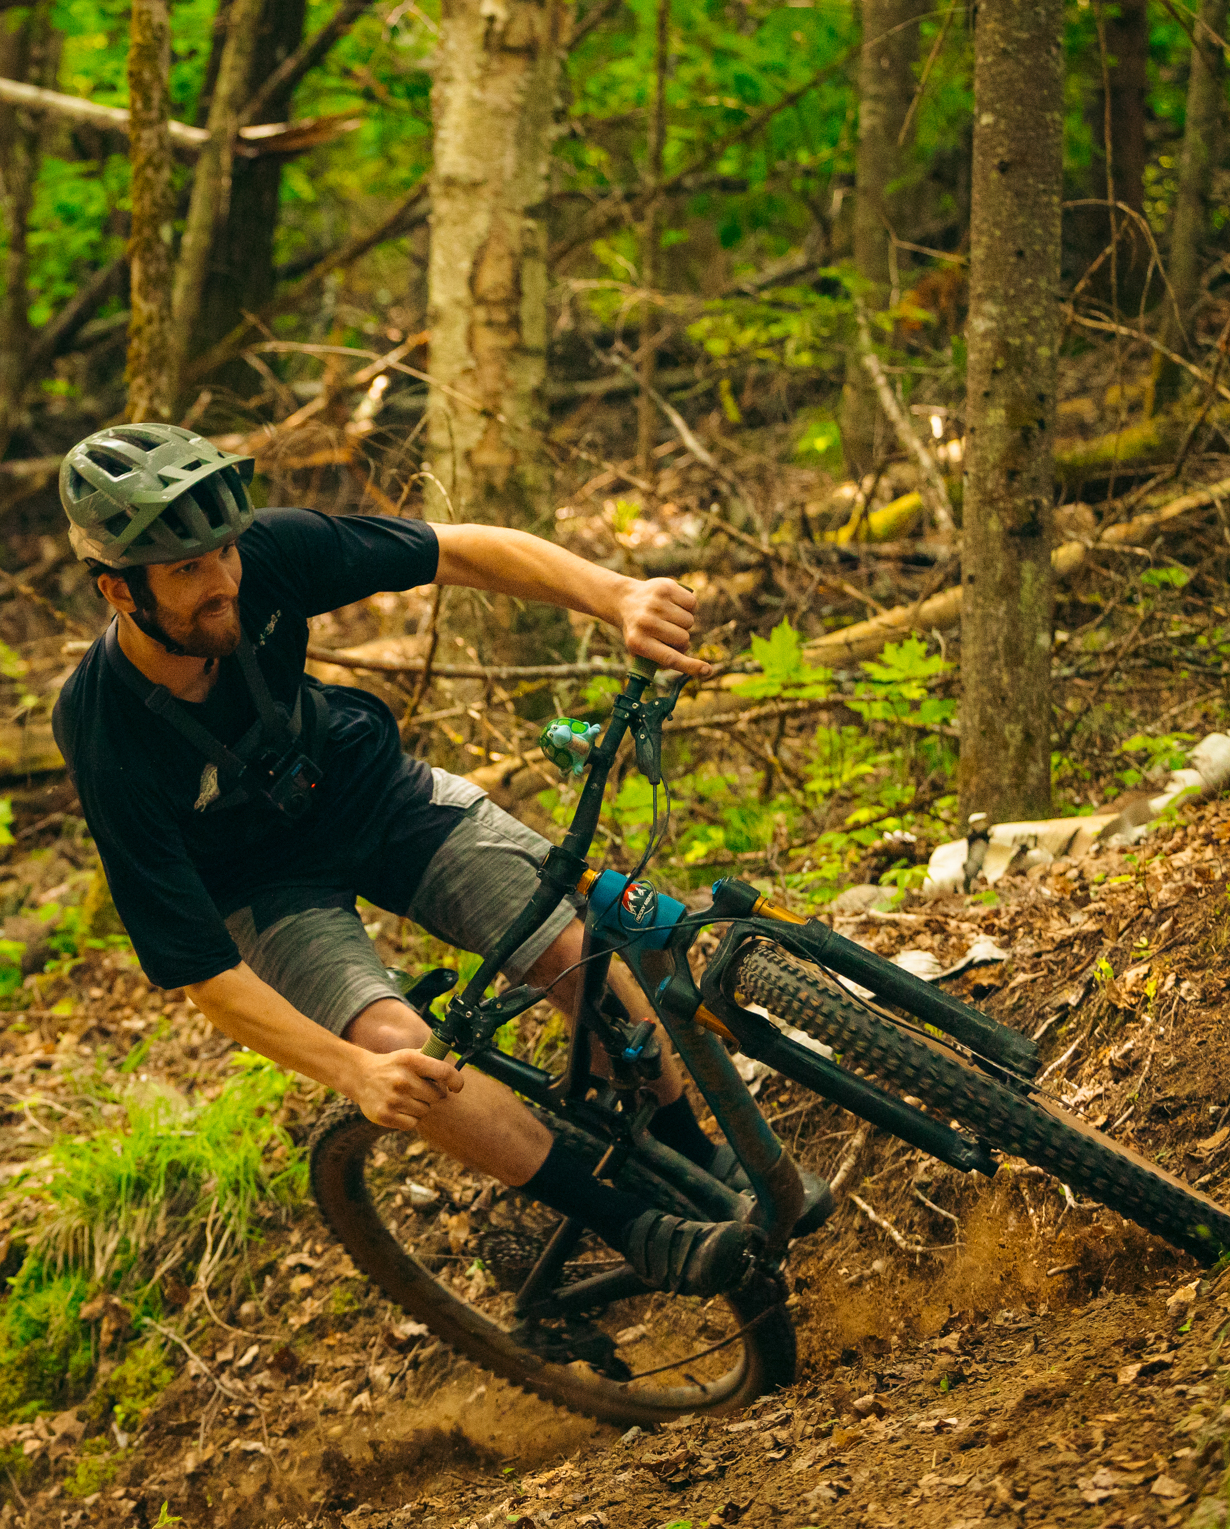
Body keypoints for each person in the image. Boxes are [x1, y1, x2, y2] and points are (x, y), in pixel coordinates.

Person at [47, 421, 759, 1303]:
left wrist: (614, 594)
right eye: (188, 570)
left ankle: (698, 1155)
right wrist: (354, 1073)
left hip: (368, 791)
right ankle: (637, 1228)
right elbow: (200, 971)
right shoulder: (104, 732)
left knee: (568, 946)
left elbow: (457, 550)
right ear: (119, 588)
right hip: (263, 892)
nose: (224, 580)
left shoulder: (267, 557)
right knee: (403, 1052)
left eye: (224, 551)